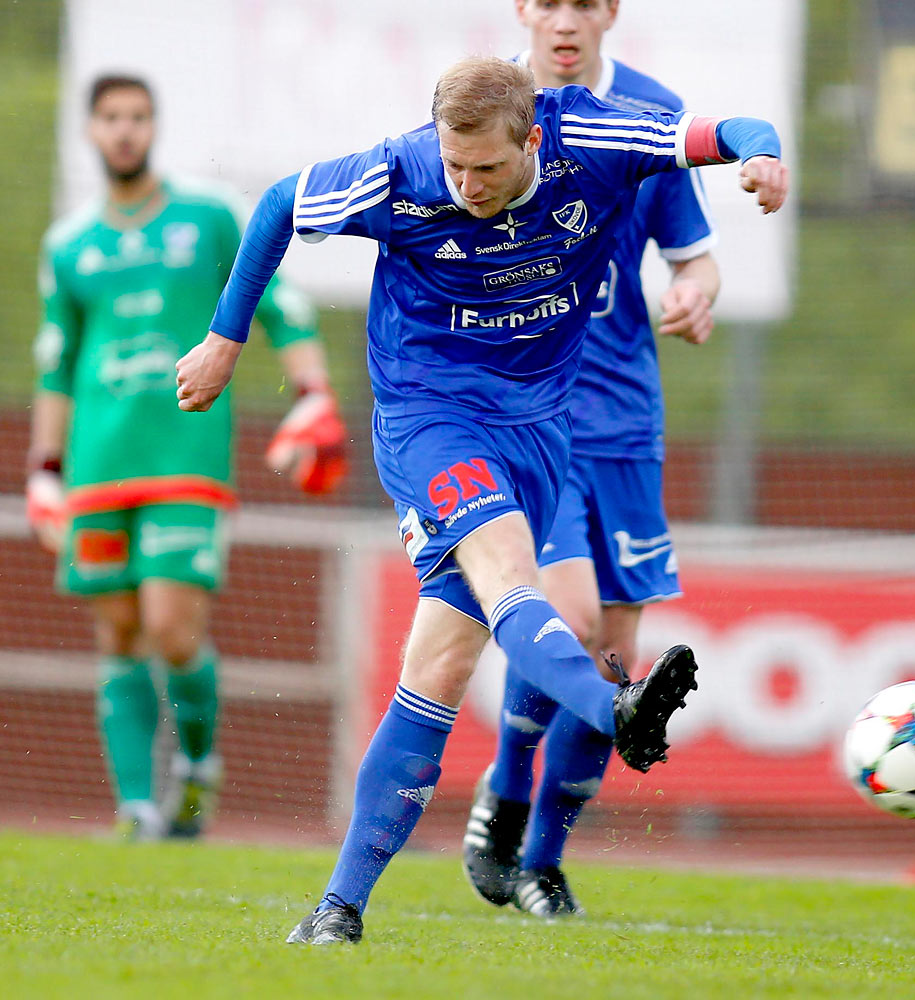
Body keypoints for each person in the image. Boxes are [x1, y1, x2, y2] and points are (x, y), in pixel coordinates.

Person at [175, 55, 787, 945]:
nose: (465, 185)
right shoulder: (401, 170)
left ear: (534, 138)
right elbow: (277, 204)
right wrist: (226, 341)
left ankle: (337, 910)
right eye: (453, 165)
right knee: (510, 575)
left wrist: (762, 158)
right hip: (431, 417)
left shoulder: (594, 137)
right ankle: (609, 708)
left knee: (440, 669)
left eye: (487, 169)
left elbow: (721, 134)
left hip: (540, 432)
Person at [26, 74, 346, 842]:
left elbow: (277, 302)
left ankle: (197, 767)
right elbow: (55, 364)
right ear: (92, 131)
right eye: (111, 119)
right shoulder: (69, 245)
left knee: (173, 628)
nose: (125, 131)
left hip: (185, 458)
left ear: (153, 126)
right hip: (98, 466)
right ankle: (136, 807)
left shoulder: (206, 217)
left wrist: (313, 391)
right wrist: (44, 469)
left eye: (137, 117)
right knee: (118, 632)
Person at [461, 0, 721, 920]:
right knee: (564, 618)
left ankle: (543, 864)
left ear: (609, 11)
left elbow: (696, 259)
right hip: (536, 416)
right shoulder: (491, 109)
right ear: (524, 10)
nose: (566, 18)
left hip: (627, 427)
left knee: (616, 661)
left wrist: (695, 294)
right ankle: (504, 787)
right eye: (550, 1)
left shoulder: (651, 118)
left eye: (585, 1)